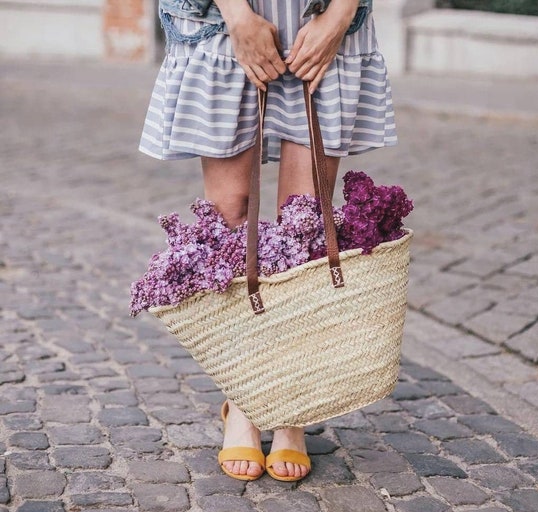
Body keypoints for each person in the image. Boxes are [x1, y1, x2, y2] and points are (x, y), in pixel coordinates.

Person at [139, 0, 397, 482]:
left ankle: (288, 410)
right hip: (225, 20)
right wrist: (237, 15)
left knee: (305, 228)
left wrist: (339, 17)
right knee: (231, 216)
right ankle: (244, 399)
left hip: (319, 22)